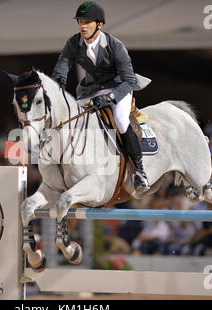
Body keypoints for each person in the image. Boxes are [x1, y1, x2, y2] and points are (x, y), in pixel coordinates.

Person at [51, 1, 151, 191]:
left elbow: (129, 80)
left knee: (121, 120)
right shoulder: (74, 43)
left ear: (99, 24)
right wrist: (57, 84)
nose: (82, 26)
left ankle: (140, 171)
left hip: (119, 87)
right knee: (72, 121)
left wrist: (110, 98)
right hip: (90, 89)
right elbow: (62, 67)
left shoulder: (115, 46)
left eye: (87, 22)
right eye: (80, 21)